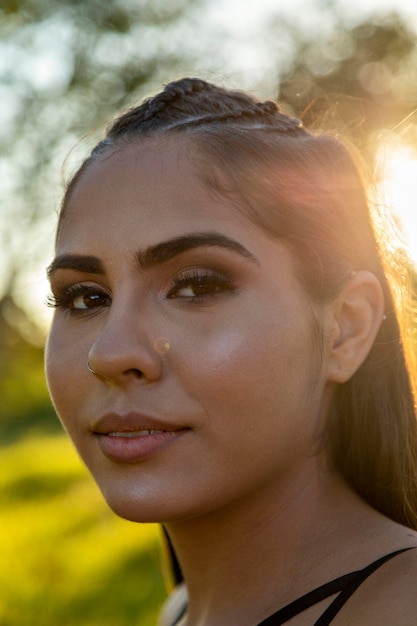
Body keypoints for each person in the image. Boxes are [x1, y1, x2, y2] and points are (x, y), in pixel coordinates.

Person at [45, 77, 417, 625]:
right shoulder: (180, 612)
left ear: (346, 328)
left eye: (196, 286)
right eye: (85, 297)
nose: (110, 351)